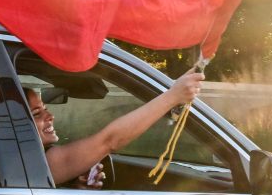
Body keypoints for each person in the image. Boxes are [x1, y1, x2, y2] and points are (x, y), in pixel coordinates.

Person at [25, 70, 204, 187]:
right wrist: (173, 96)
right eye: (36, 113)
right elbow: (110, 141)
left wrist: (75, 189)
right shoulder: (38, 163)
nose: (50, 116)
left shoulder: (21, 162)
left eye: (45, 109)